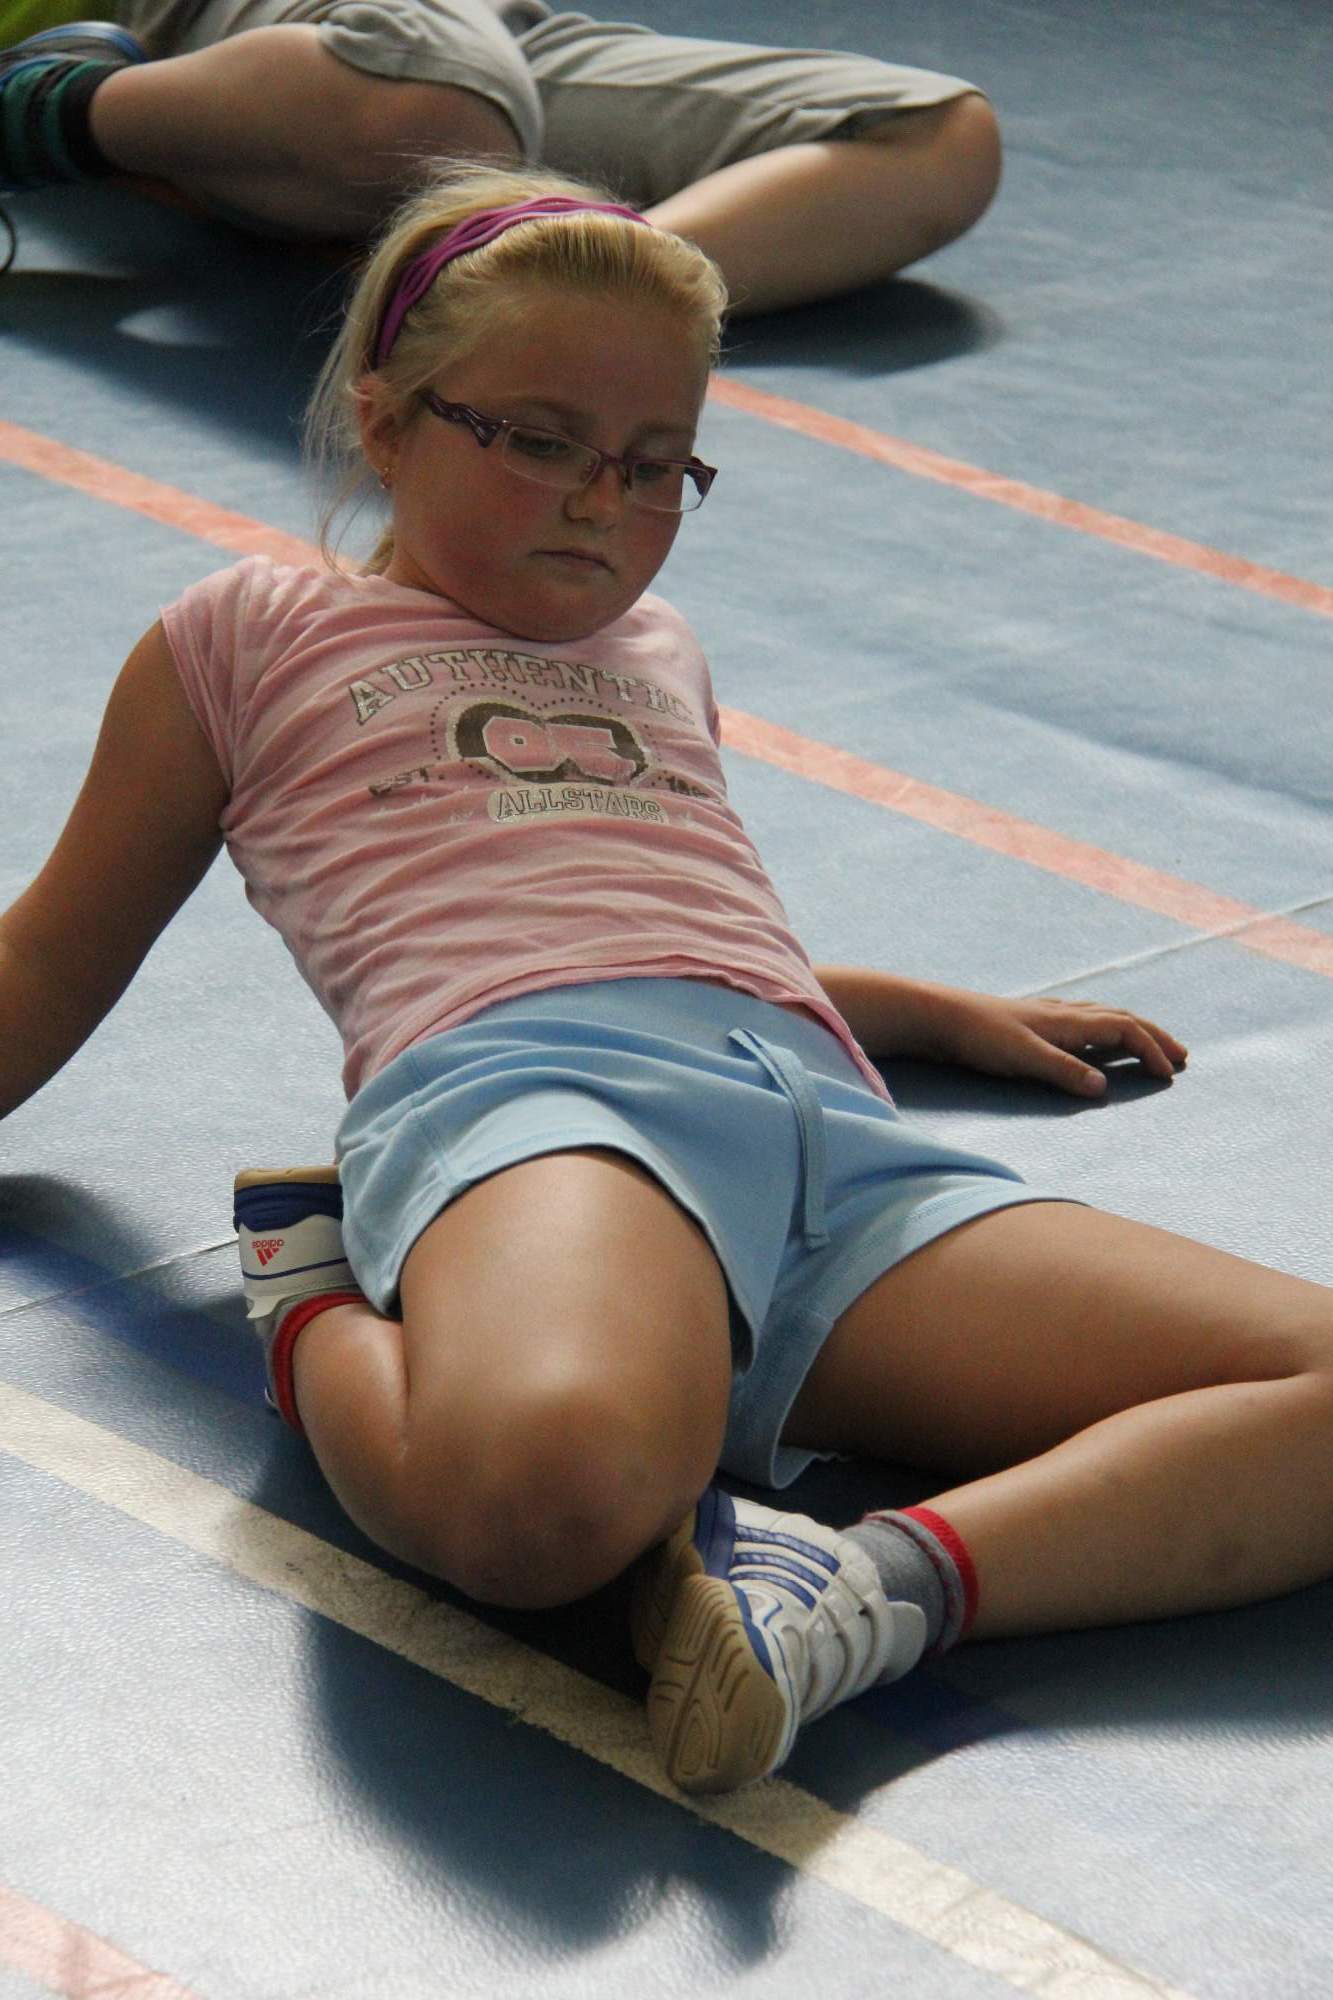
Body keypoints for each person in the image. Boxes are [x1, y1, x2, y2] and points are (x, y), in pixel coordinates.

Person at [3, 163, 1330, 1799]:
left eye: (653, 466)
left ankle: (855, 1593)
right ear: (385, 419)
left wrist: (908, 1011)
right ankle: (321, 1297)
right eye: (539, 440)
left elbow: (654, 920)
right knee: (540, 1509)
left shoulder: (659, 649)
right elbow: (47, 954)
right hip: (536, 1109)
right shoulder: (249, 637)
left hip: (820, 1133)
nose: (598, 502)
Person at [0, 2, 1001, 312]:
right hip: (201, 15)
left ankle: (570, 294)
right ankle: (44, 107)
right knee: (437, 114)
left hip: (479, 36)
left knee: (931, 136)